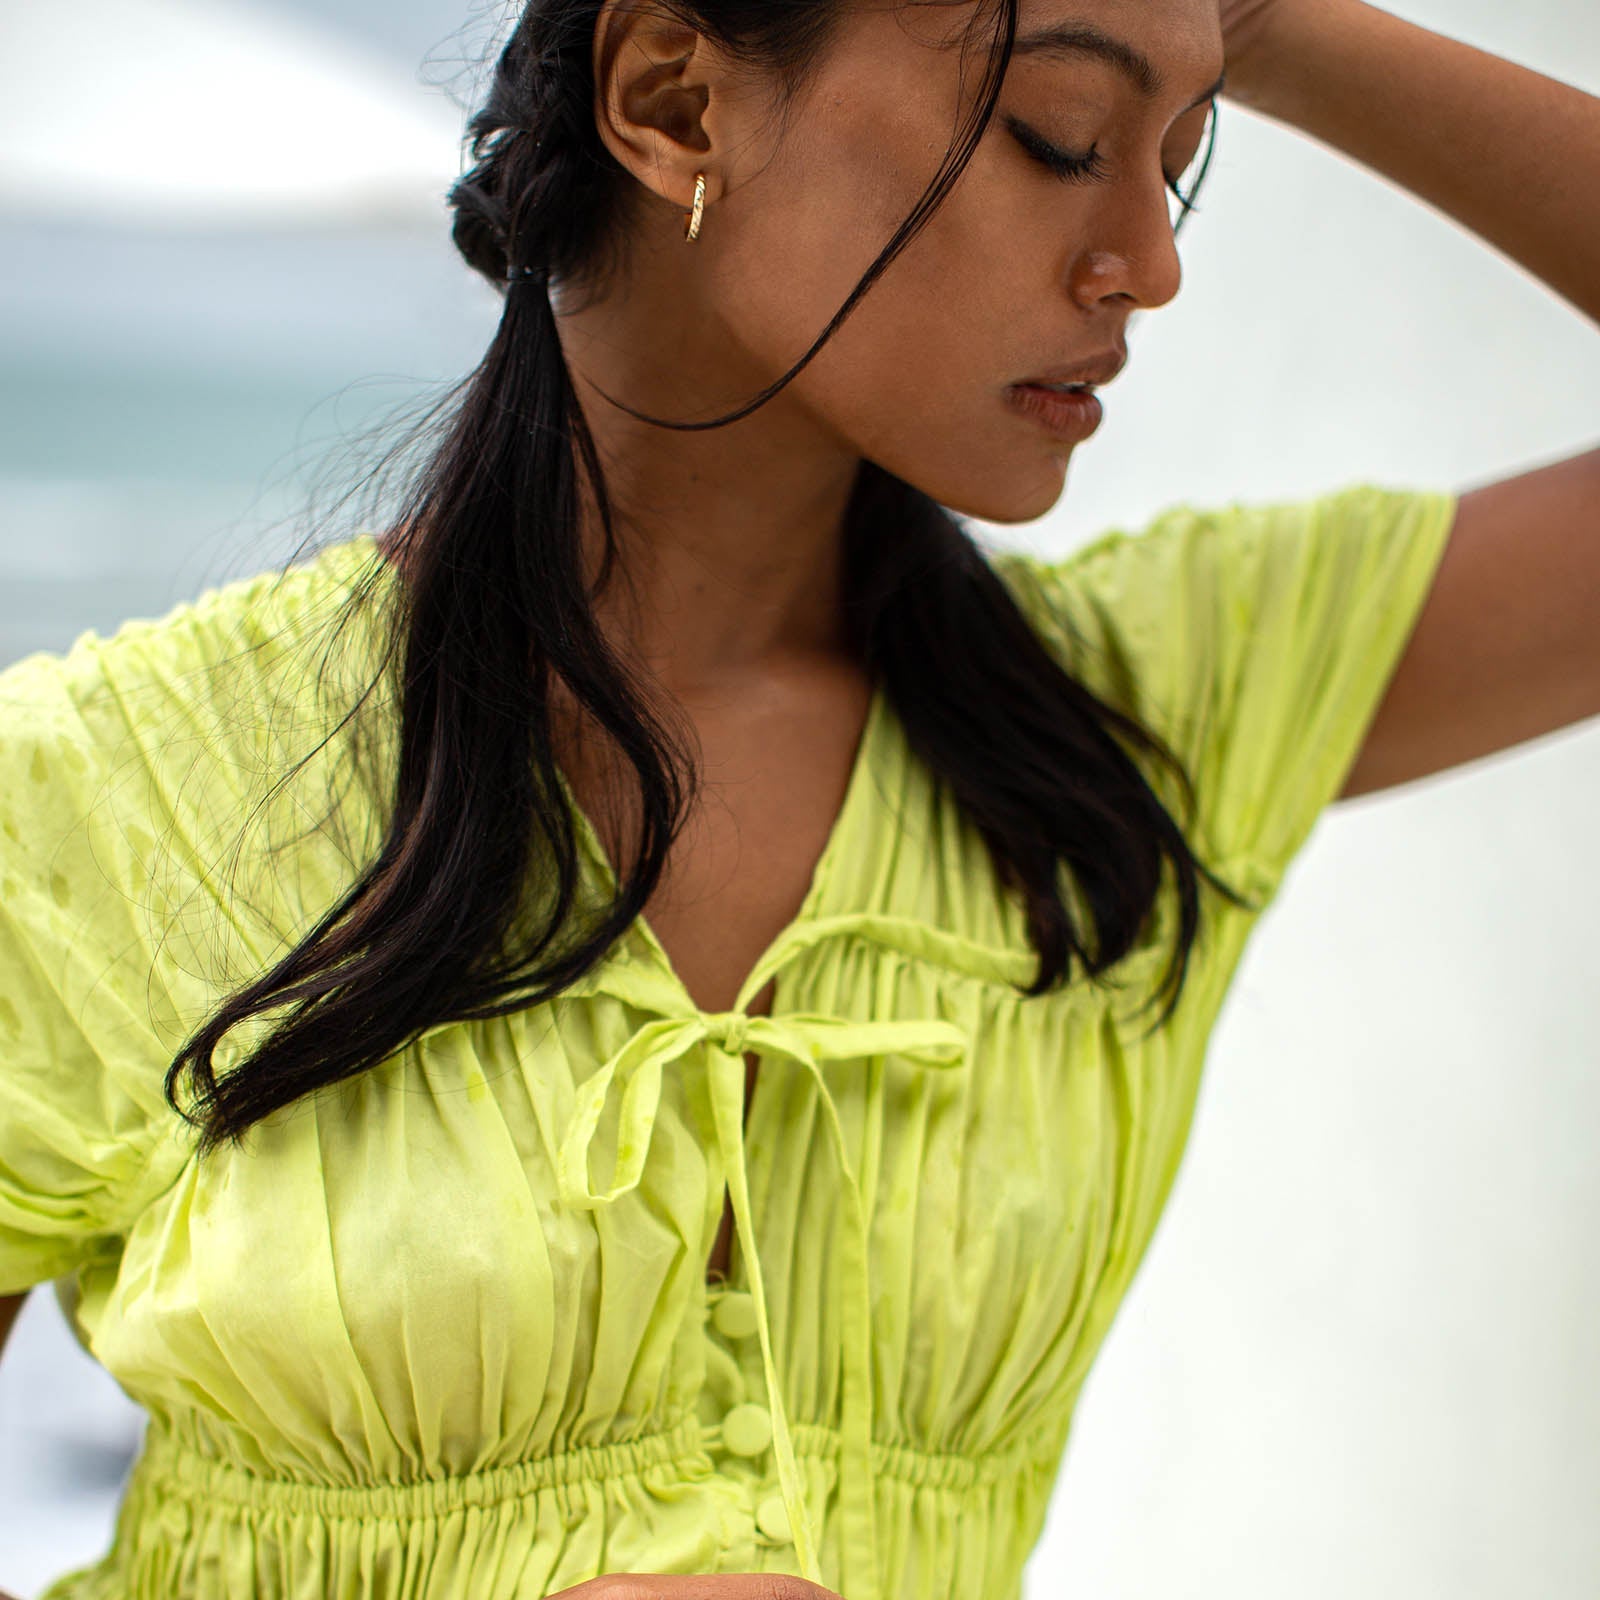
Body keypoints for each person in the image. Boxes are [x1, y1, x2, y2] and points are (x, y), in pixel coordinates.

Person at [1, 0, 1596, 1597]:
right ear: (675, 100)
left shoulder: (1150, 724)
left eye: (1176, 165)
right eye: (1059, 135)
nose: (1148, 262)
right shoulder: (104, 799)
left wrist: (1269, 24)